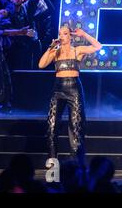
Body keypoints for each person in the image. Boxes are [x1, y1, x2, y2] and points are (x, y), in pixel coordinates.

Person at [38, 26, 102, 166]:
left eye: (65, 34)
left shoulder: (77, 50)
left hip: (74, 89)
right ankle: (53, 168)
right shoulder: (56, 51)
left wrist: (84, 34)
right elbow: (41, 64)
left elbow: (98, 46)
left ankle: (76, 166)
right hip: (58, 88)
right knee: (52, 125)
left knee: (76, 126)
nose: (62, 36)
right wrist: (51, 47)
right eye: (60, 33)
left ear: (70, 36)